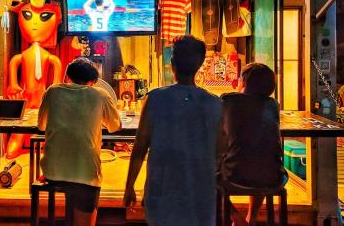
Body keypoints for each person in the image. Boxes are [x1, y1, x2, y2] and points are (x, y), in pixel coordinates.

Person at [123, 35, 222, 226]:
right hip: (200, 195)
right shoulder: (215, 104)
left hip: (162, 192)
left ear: (172, 63)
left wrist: (129, 186)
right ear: (200, 65)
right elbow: (220, 152)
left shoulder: (155, 99)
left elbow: (139, 148)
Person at [37, 57, 121, 226]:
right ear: (94, 81)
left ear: (66, 76)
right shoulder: (100, 94)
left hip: (53, 173)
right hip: (86, 175)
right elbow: (115, 126)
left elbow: (41, 126)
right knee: (86, 177)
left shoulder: (52, 91)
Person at [218, 63, 287, 226]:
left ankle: (237, 219)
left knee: (206, 176)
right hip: (272, 176)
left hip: (235, 175)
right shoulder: (273, 105)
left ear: (244, 81)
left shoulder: (228, 100)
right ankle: (251, 219)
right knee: (259, 160)